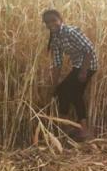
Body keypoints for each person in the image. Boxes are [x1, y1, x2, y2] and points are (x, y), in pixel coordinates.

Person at [42, 9, 98, 141]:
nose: (51, 24)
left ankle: (76, 129)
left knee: (70, 92)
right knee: (63, 91)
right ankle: (75, 128)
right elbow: (57, 63)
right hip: (78, 65)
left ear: (61, 19)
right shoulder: (55, 38)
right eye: (47, 22)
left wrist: (84, 71)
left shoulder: (71, 32)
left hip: (88, 64)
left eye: (53, 20)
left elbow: (89, 50)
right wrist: (54, 84)